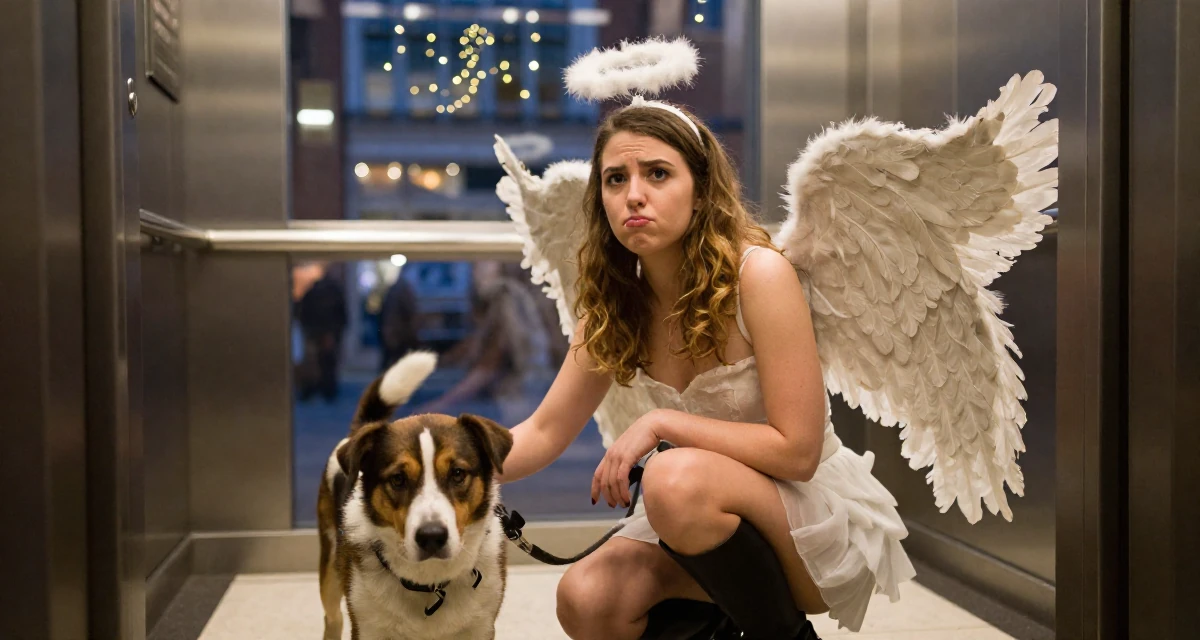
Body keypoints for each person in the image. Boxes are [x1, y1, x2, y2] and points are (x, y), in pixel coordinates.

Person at [495, 102, 914, 639]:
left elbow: (798, 451)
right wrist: (439, 464)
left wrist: (661, 426)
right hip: (695, 510)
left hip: (808, 520)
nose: (634, 195)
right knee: (586, 597)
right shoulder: (613, 305)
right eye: (615, 179)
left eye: (658, 174)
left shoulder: (759, 274)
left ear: (702, 186)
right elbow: (544, 431)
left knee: (670, 478)